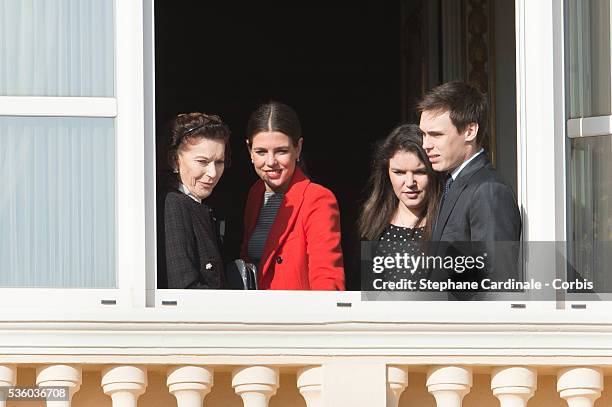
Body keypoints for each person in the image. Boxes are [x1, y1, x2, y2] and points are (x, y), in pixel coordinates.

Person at [417, 81, 521, 285]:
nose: (425, 145)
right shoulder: (449, 183)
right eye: (423, 134)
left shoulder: (488, 191)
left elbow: (497, 282)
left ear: (470, 131)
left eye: (436, 135)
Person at [241, 101, 345, 290]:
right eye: (261, 152)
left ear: (298, 148)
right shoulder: (255, 193)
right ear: (249, 150)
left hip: (295, 316)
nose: (270, 162)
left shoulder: (318, 199)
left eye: (281, 151)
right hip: (254, 314)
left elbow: (327, 277)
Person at [359, 124, 441, 285]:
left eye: (420, 172)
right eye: (399, 172)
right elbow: (369, 292)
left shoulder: (447, 219)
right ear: (386, 173)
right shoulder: (373, 220)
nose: (410, 182)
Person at [157, 112, 230, 289]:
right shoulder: (174, 205)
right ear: (174, 160)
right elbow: (185, 290)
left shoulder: (194, 206)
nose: (213, 173)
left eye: (219, 162)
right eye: (202, 162)